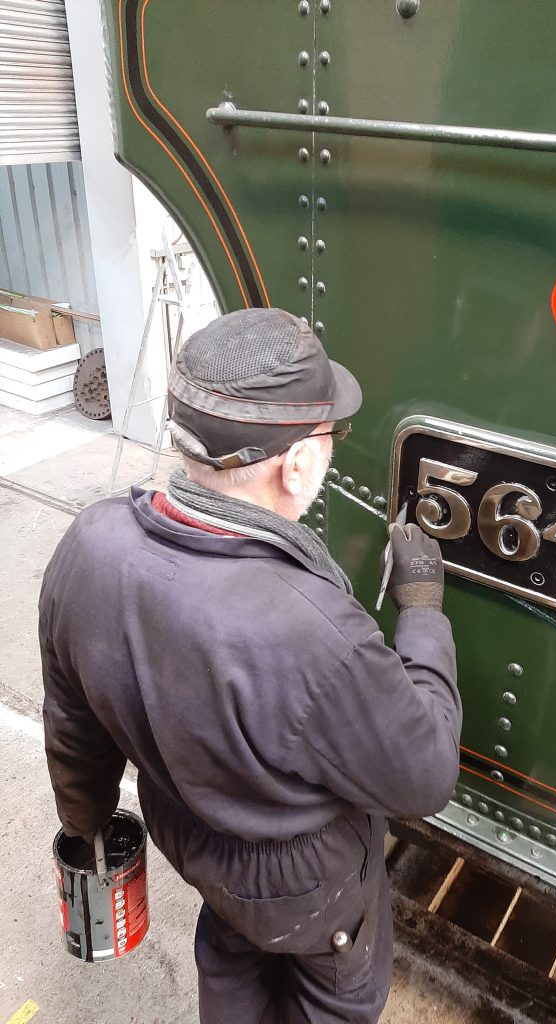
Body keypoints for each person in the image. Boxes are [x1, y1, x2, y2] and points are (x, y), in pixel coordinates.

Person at [39, 308, 461, 1024]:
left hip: (197, 845)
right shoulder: (314, 631)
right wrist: (421, 609)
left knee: (230, 957)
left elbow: (72, 720)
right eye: (332, 435)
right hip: (311, 893)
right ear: (298, 466)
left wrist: (83, 823)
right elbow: (425, 776)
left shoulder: (89, 544)